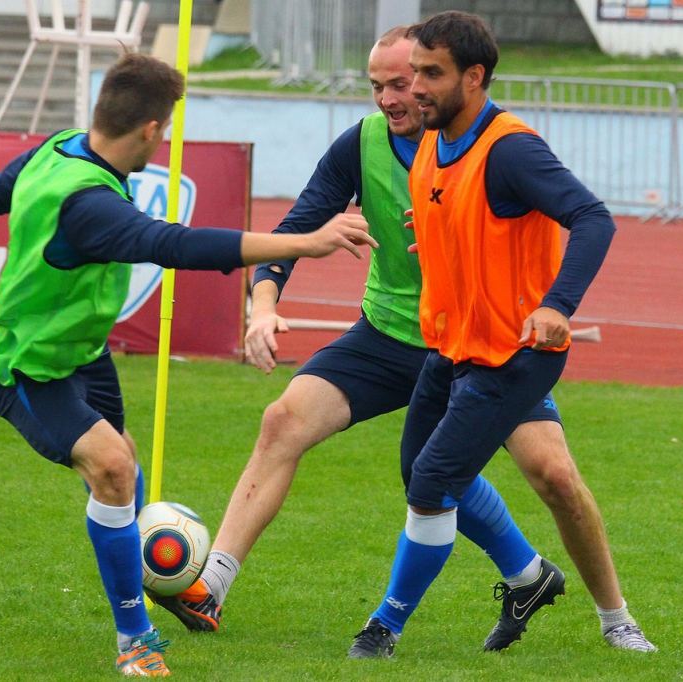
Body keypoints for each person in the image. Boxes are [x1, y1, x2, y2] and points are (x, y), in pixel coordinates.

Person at [0, 53, 377, 678]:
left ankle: (157, 573)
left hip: (82, 354)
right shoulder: (89, 206)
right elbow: (175, 244)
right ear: (152, 128)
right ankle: (134, 638)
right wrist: (306, 243)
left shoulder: (61, 149)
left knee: (121, 467)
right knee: (113, 468)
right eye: (170, 125)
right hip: (21, 366)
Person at [149, 26, 655, 655]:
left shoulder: (495, 146)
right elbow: (295, 229)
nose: (395, 96)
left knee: (549, 475)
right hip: (393, 335)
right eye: (381, 84)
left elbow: (581, 219)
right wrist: (262, 306)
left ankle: (614, 616)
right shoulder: (364, 145)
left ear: (451, 76)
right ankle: (213, 584)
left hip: (490, 345)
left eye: (407, 80)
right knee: (286, 422)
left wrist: (553, 303)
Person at [344, 11, 655, 659]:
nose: (416, 86)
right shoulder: (434, 138)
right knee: (441, 475)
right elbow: (457, 216)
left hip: (512, 354)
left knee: (439, 483)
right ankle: (531, 579)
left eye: (431, 74)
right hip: (453, 347)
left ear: (475, 76)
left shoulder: (510, 148)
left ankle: (385, 627)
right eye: (414, 72)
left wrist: (557, 305)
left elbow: (592, 218)